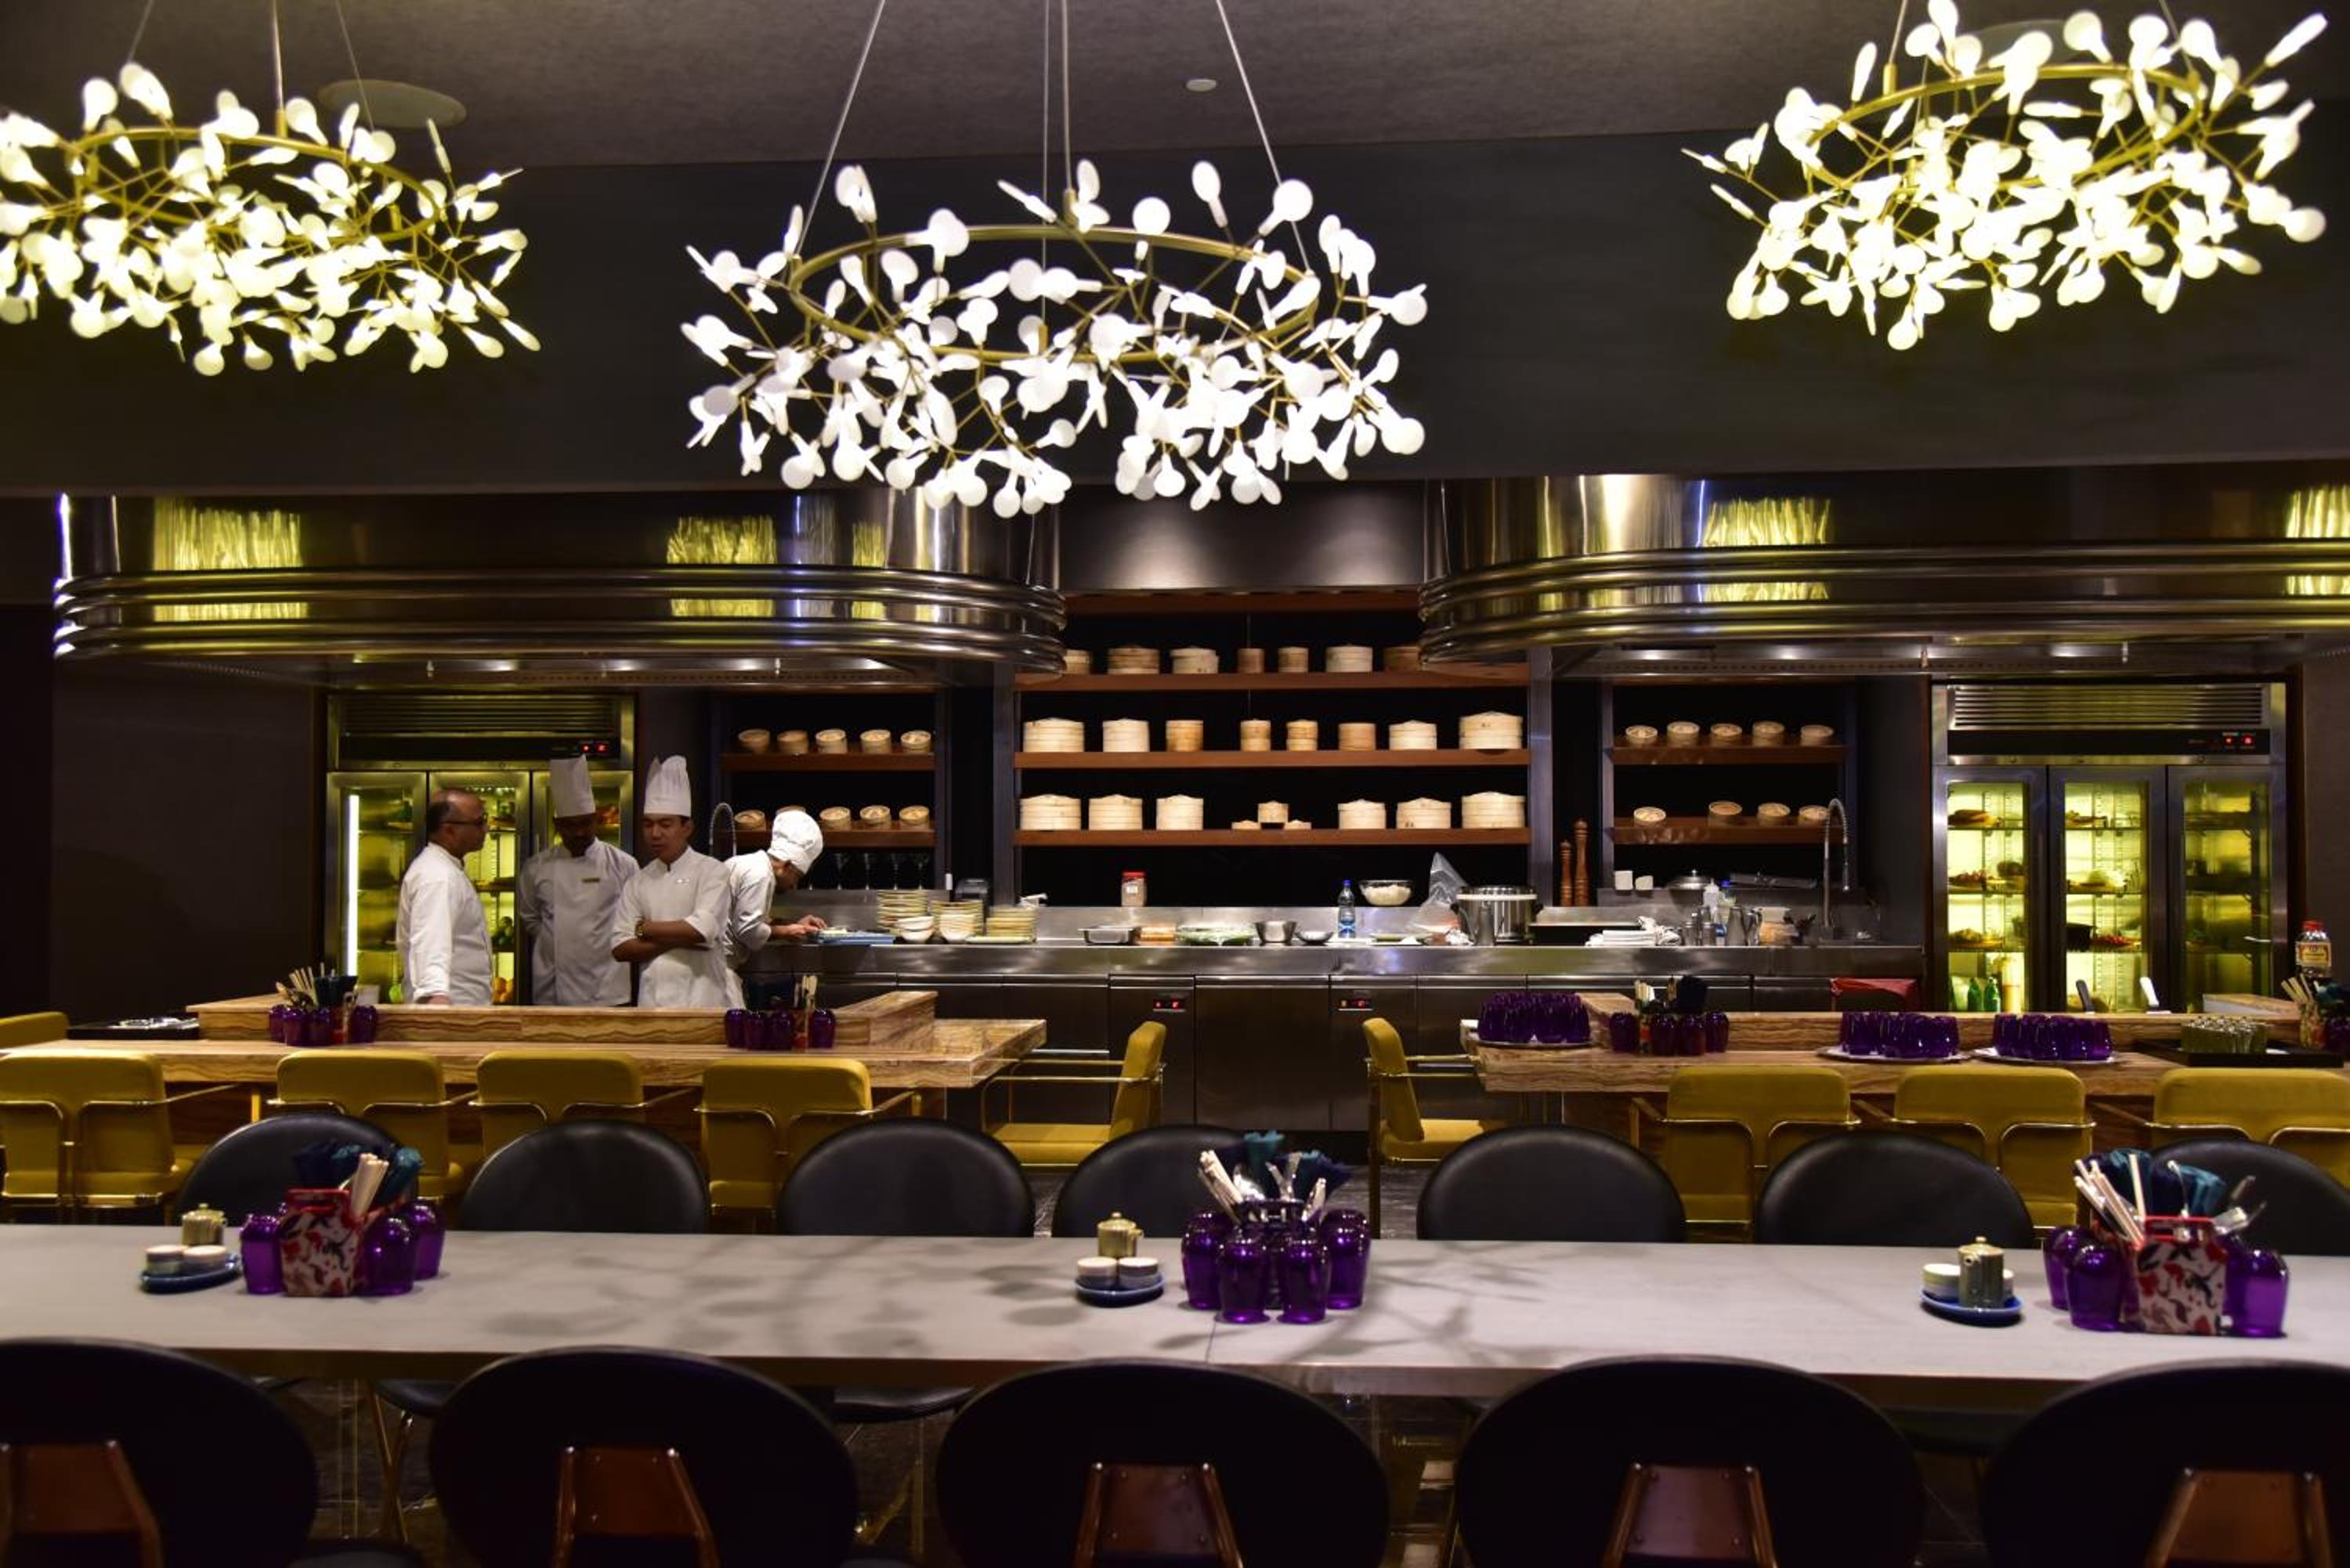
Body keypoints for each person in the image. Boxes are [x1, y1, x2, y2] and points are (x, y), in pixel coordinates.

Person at [609, 756, 738, 1008]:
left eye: (665, 824)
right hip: (653, 1002)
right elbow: (621, 949)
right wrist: (683, 939)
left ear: (687, 827)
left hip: (704, 1000)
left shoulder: (713, 871)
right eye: (648, 824)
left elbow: (701, 930)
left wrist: (644, 928)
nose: (655, 833)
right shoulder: (638, 881)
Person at [517, 756, 634, 1006]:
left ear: (596, 819)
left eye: (585, 823)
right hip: (553, 988)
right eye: (570, 825)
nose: (579, 832)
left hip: (607, 987)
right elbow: (530, 918)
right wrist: (556, 942)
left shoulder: (623, 864)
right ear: (556, 825)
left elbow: (632, 919)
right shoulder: (536, 868)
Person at [396, 788, 494, 1006]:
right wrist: (436, 1000)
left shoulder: (444, 868)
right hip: (452, 1010)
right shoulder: (438, 876)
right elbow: (430, 940)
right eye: (479, 822)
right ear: (449, 830)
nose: (486, 828)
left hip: (463, 1008)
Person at [725, 809, 830, 979]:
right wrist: (786, 932)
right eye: (797, 877)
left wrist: (794, 924)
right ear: (786, 866)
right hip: (716, 970)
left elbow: (749, 919)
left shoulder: (746, 863)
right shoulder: (760, 874)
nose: (794, 886)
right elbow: (748, 931)